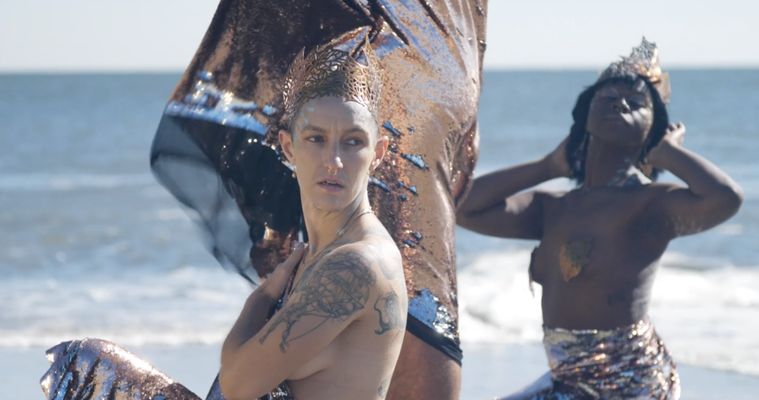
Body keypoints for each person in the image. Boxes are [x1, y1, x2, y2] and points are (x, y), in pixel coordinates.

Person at [456, 39, 743, 399]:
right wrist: (548, 166)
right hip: (568, 380)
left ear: (652, 129)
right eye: (608, 97)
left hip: (631, 380)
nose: (620, 103)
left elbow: (726, 198)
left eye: (636, 103)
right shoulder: (554, 208)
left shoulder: (651, 206)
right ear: (585, 114)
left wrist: (669, 154)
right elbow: (463, 208)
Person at [219, 39, 407, 399]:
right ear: (289, 147)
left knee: (97, 365)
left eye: (353, 142)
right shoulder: (318, 255)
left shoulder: (356, 264)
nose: (333, 161)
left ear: (378, 153)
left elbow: (236, 384)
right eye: (316, 138)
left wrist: (263, 297)